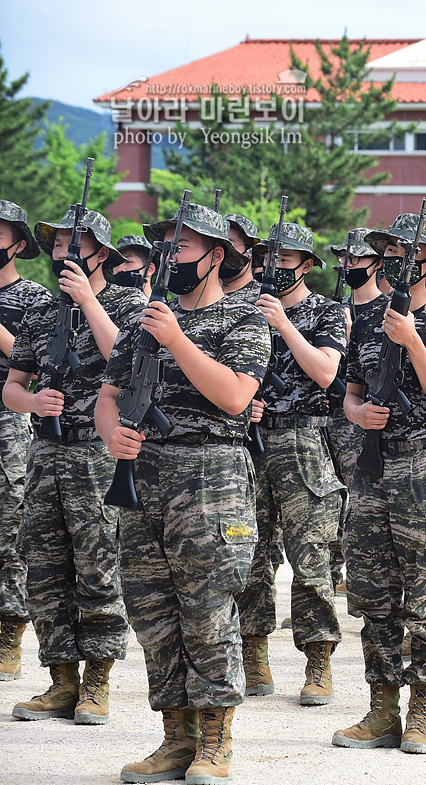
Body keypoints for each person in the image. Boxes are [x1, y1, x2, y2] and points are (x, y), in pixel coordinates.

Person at [97, 202, 268, 783]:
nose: (171, 259)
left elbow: (235, 397)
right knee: (152, 611)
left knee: (207, 611)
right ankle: (176, 738)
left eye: (184, 249)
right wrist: (112, 434)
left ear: (216, 256)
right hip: (142, 477)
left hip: (211, 479)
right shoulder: (143, 321)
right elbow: (108, 395)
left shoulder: (244, 321)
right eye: (165, 248)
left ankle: (215, 742)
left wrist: (177, 339)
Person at [333, 212, 426, 754]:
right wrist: (356, 413)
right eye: (386, 250)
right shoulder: (365, 322)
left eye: (404, 252)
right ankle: (382, 707)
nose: (393, 260)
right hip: (371, 469)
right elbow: (350, 390)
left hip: (421, 472)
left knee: (425, 591)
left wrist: (414, 342)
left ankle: (422, 709)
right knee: (373, 592)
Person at [5, 207, 143, 725]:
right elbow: (12, 386)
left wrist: (88, 302)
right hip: (44, 453)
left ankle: (97, 681)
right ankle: (61, 680)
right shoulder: (40, 313)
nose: (64, 253)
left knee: (98, 564)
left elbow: (122, 365)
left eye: (75, 244)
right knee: (44, 568)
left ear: (101, 254)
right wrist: (32, 403)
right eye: (59, 244)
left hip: (97, 453)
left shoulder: (130, 305)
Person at [239, 221, 347, 705]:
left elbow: (326, 372)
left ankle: (318, 660)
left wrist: (282, 322)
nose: (273, 269)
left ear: (306, 265)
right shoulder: (240, 310)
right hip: (248, 443)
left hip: (302, 443)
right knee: (249, 557)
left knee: (310, 559)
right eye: (268, 260)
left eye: (283, 261)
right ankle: (253, 655)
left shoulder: (327, 311)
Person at [0, 201, 52, 682]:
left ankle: (8, 634)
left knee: (11, 532)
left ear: (17, 244)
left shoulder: (33, 298)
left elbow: (24, 364)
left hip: (9, 422)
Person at [324, 229, 385, 595]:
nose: (348, 265)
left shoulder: (387, 310)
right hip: (326, 413)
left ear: (376, 264)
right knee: (328, 500)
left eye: (356, 259)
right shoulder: (333, 308)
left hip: (363, 419)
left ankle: (362, 573)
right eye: (344, 258)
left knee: (359, 498)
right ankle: (331, 576)